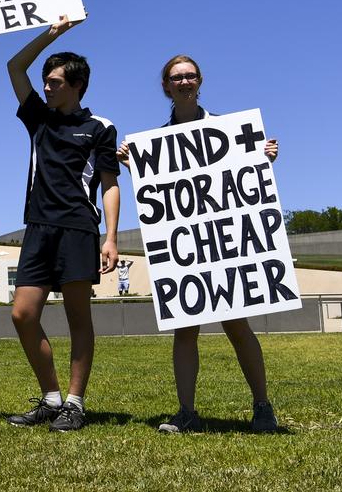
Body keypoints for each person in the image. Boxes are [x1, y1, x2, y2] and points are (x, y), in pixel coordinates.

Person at [117, 53, 280, 434]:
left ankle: (262, 406)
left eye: (190, 76)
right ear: (165, 87)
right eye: (177, 77)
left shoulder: (228, 130)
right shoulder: (157, 142)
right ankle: (187, 412)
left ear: (200, 81)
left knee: (236, 323)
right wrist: (135, 165)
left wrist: (264, 158)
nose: (184, 82)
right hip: (188, 249)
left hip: (222, 245)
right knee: (185, 328)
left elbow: (242, 181)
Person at [4, 15, 121, 432]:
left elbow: (109, 185)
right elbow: (14, 67)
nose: (47, 87)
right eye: (46, 81)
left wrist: (110, 238)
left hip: (78, 229)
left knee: (78, 318)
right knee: (22, 314)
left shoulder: (100, 128)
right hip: (37, 227)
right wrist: (51, 34)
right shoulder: (39, 117)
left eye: (54, 82)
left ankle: (75, 402)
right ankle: (51, 398)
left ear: (76, 85)